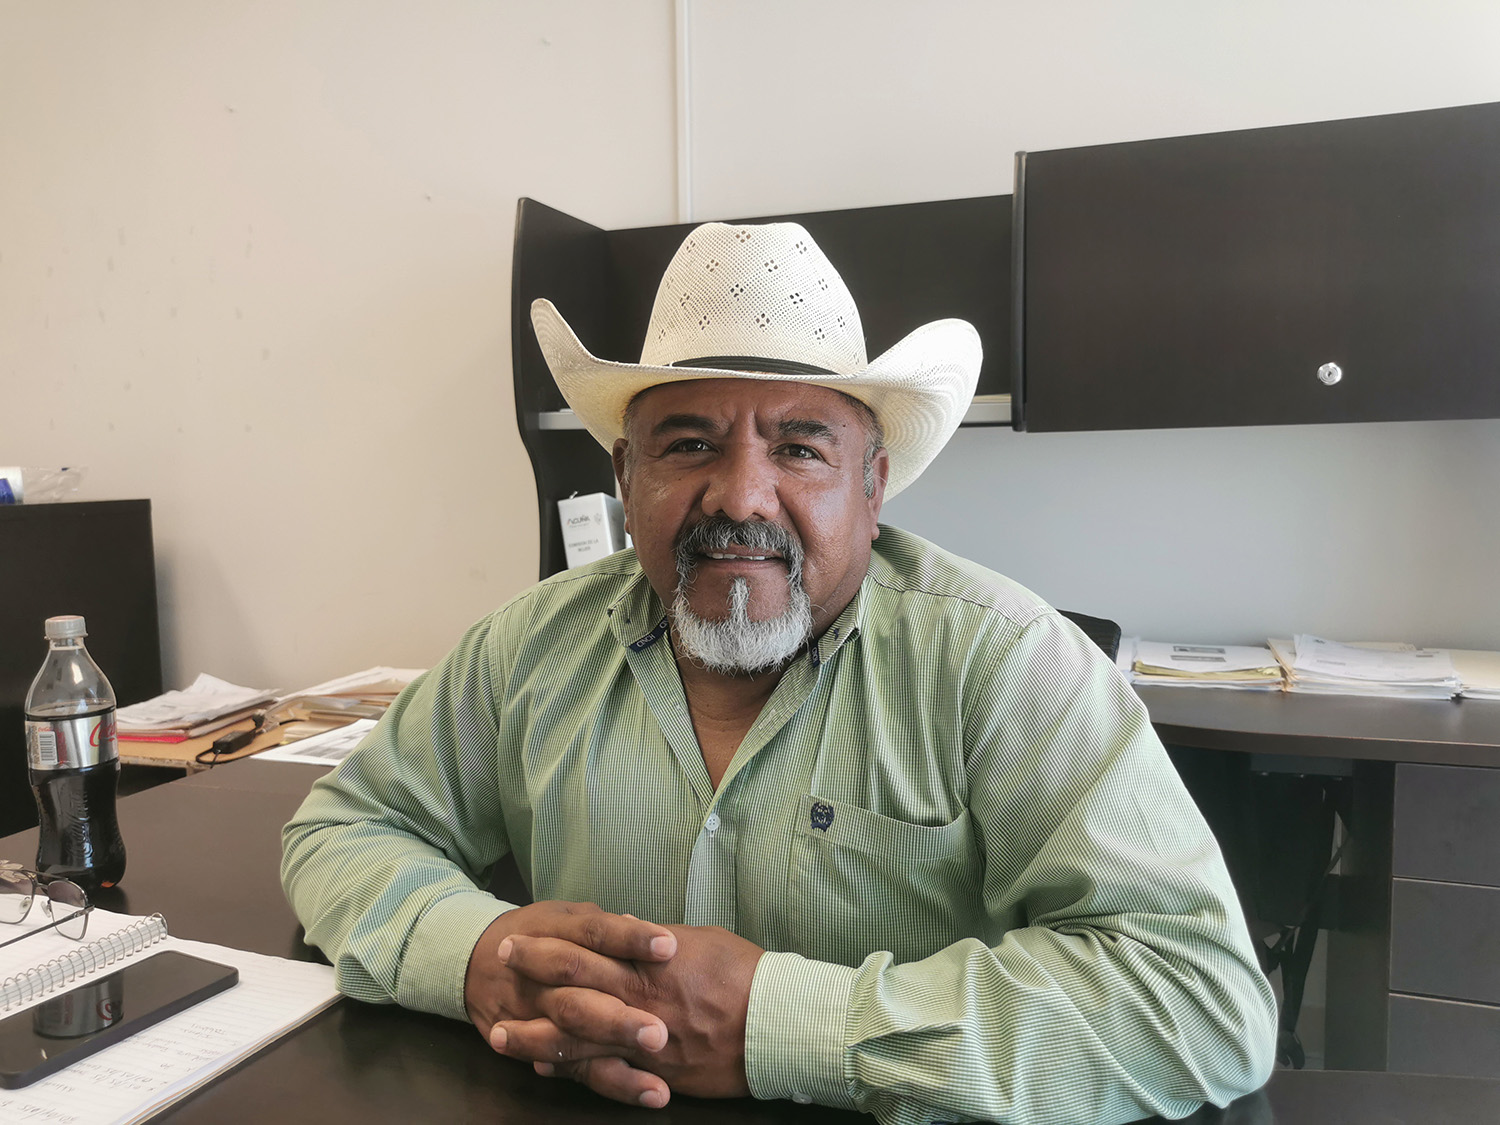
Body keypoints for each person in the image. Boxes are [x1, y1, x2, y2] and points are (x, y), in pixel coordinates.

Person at [282, 221, 1277, 1125]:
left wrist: (783, 1024)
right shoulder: (528, 648)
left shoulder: (1007, 663)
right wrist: (476, 957)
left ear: (872, 486)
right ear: (626, 478)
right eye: (689, 444)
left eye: (799, 448)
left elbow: (1200, 999)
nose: (742, 497)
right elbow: (343, 830)